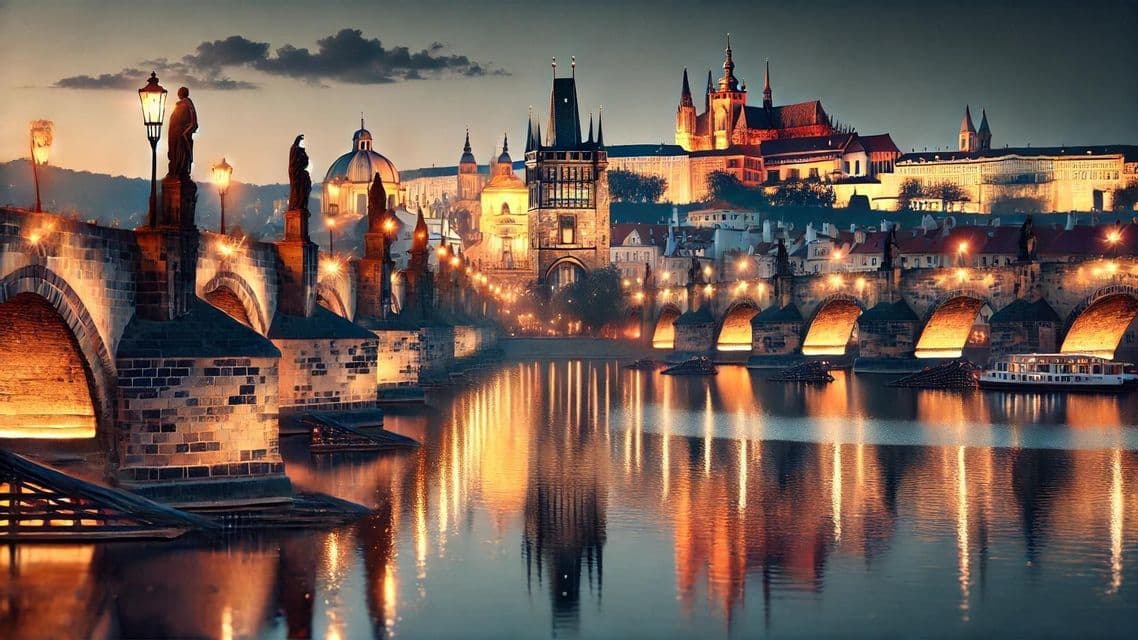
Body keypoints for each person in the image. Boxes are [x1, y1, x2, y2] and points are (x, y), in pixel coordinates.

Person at [166, 87, 197, 179]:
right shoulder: (186, 105)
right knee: (179, 153)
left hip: (180, 134)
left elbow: (188, 121)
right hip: (179, 134)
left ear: (180, 94)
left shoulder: (185, 105)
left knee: (180, 153)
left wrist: (184, 131)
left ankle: (179, 171)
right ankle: (178, 170)